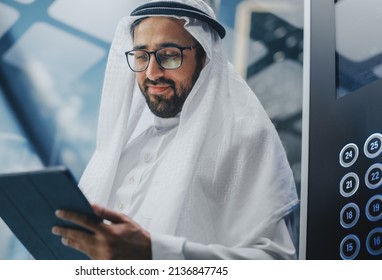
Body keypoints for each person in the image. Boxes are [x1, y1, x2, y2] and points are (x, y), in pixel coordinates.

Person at [51, 0, 299, 260]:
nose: (151, 72)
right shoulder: (125, 148)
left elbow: (277, 261)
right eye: (141, 56)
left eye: (168, 55)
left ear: (205, 57)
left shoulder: (245, 139)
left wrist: (154, 253)